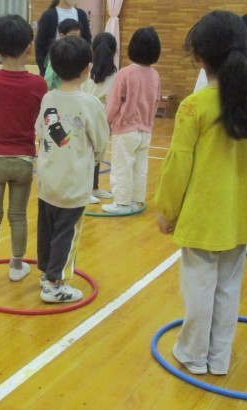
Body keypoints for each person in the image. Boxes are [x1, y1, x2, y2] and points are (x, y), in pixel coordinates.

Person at [155, 10, 247, 375]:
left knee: (200, 285)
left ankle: (193, 353)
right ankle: (218, 357)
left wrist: (167, 210)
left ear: (199, 57)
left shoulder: (194, 106)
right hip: (242, 215)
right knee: (229, 287)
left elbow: (178, 166)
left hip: (204, 217)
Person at [0, 14, 47, 285]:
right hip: (24, 160)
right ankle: (16, 266)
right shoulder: (39, 84)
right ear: (29, 47)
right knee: (18, 216)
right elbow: (40, 118)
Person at [35, 36, 109, 303]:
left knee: (48, 230)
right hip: (74, 184)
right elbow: (101, 140)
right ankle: (55, 284)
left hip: (47, 180)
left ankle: (47, 273)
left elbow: (39, 131)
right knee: (67, 233)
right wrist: (94, 159)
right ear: (87, 68)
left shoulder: (48, 98)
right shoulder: (90, 103)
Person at [103, 27, 161, 214]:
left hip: (125, 129)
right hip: (145, 130)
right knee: (140, 167)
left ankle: (121, 203)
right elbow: (156, 101)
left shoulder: (125, 73)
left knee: (122, 166)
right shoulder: (154, 75)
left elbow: (114, 102)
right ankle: (136, 200)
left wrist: (106, 122)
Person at [81, 32, 117, 205]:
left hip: (85, 115)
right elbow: (112, 101)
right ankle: (86, 189)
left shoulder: (86, 69)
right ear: (114, 51)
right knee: (94, 154)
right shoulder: (114, 75)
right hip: (100, 118)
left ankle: (93, 187)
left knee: (89, 153)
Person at [35, 0, 91, 77]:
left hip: (77, 66)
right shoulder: (48, 15)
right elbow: (40, 45)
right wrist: (44, 69)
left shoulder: (81, 14)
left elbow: (87, 41)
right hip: (53, 68)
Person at [44, 18, 81, 91]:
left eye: (78, 36)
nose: (77, 39)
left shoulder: (78, 51)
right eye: (73, 36)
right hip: (58, 92)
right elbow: (48, 79)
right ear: (62, 36)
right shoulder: (56, 53)